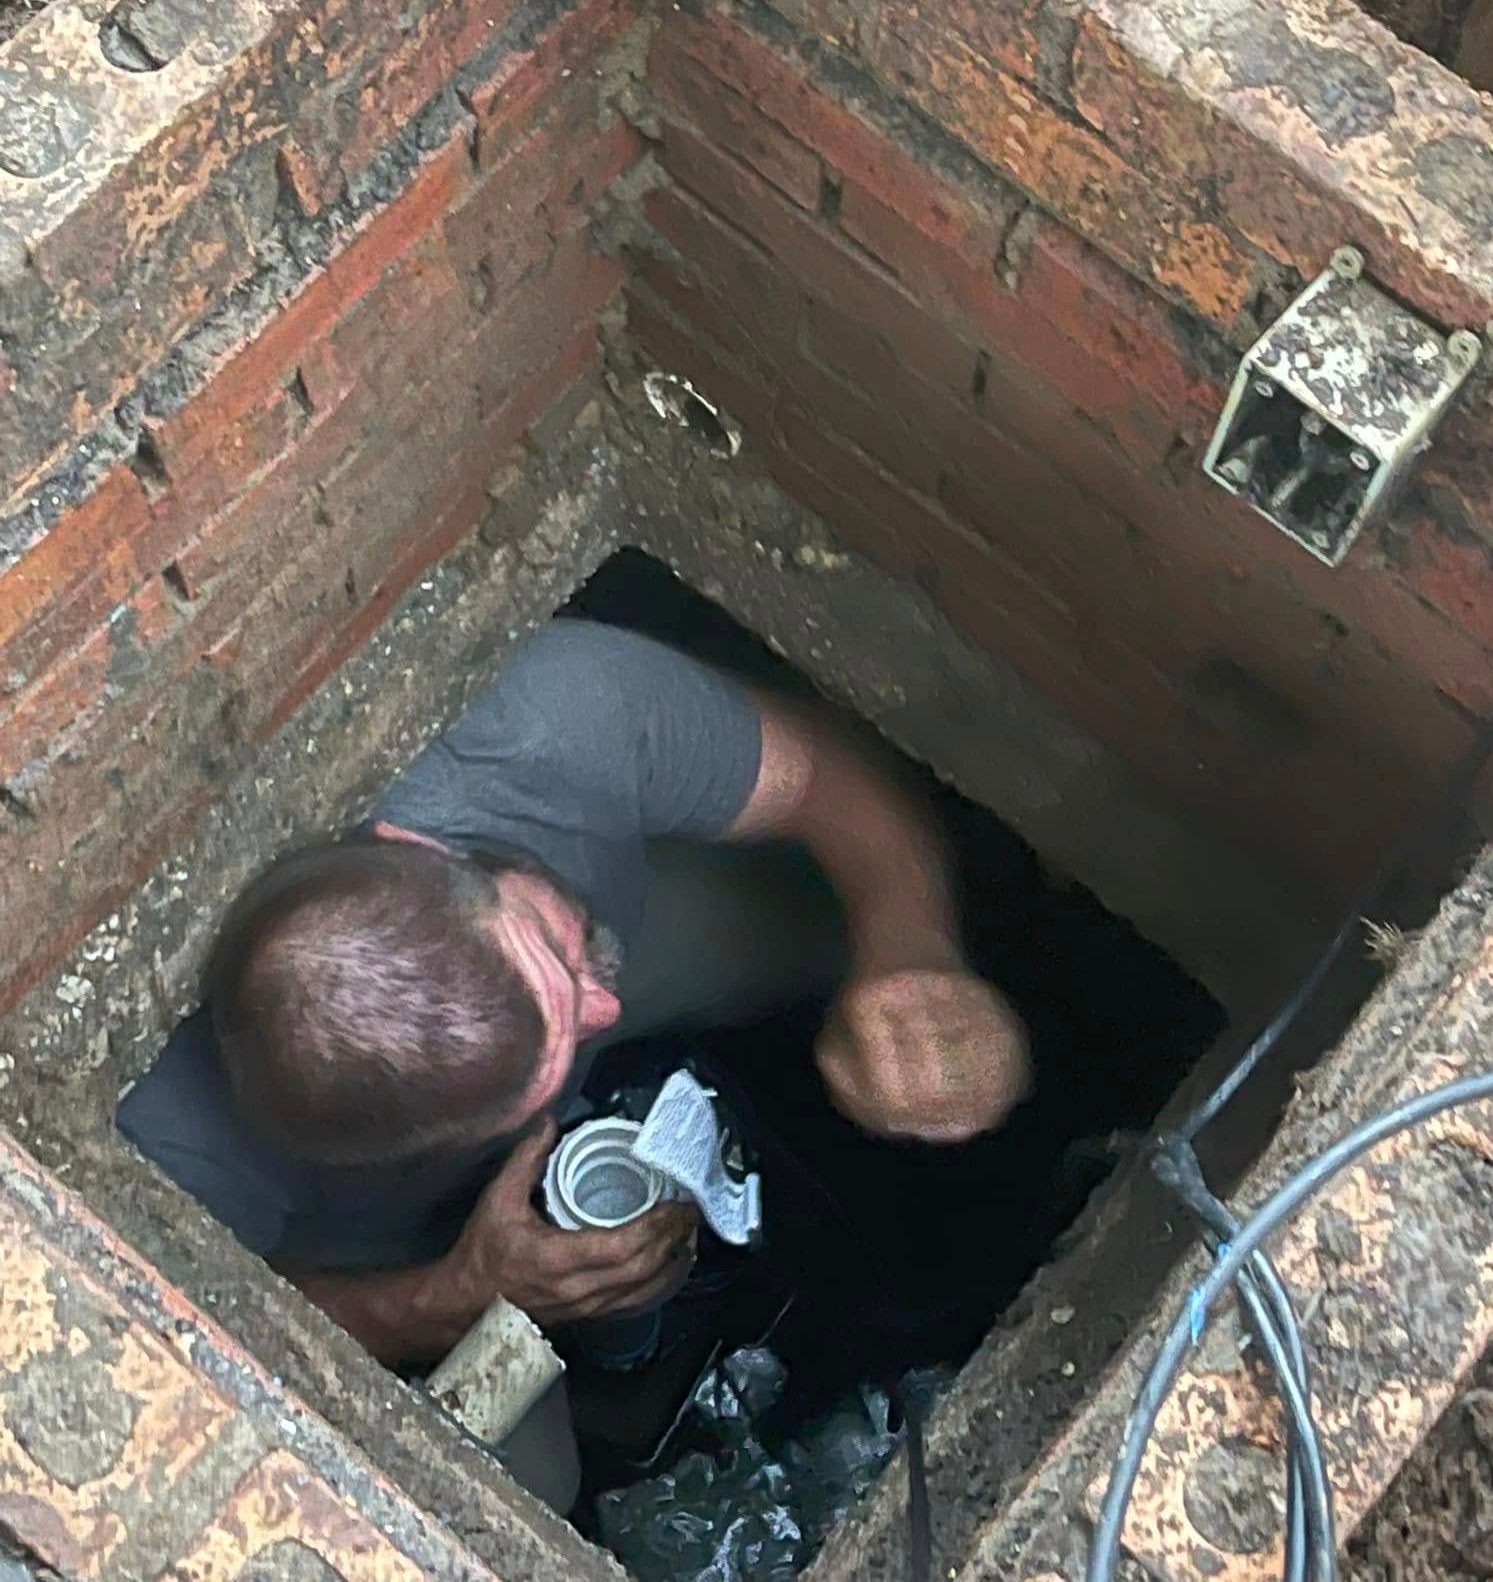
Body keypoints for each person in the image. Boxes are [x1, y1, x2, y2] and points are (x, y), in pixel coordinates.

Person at [119, 618, 1029, 1505]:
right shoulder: (174, 1142)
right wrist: (448, 1297)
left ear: (415, 848)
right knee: (527, 1494)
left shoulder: (551, 719)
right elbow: (201, 1327)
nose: (605, 1011)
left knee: (817, 924)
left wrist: (909, 949)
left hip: (622, 912)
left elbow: (822, 783)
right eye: (549, 1073)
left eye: (548, 956)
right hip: (372, 1245)